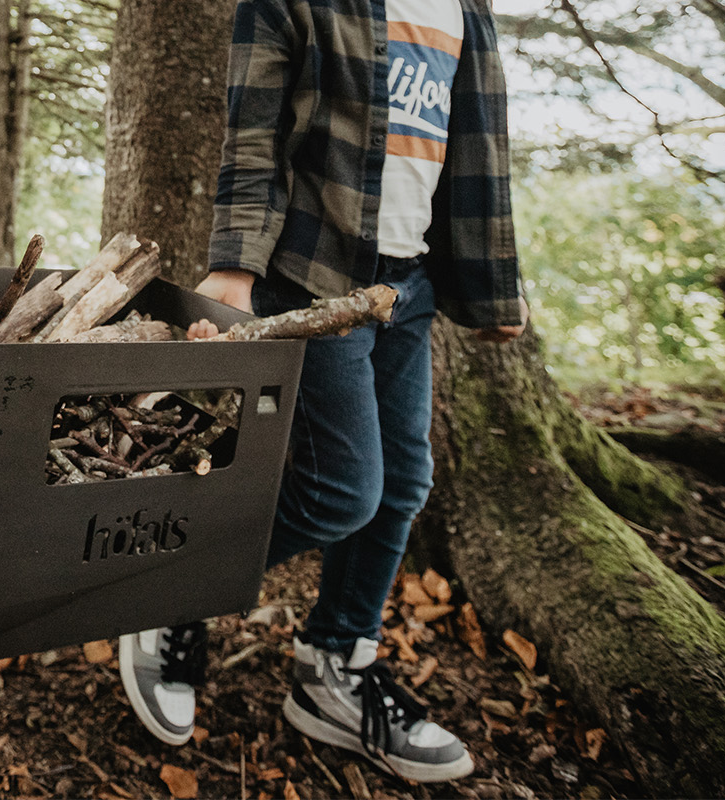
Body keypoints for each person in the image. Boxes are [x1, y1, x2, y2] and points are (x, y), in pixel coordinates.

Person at [115, 0, 527, 783]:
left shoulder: (462, 11)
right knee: (342, 493)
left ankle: (334, 666)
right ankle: (166, 591)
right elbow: (253, 133)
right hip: (310, 280)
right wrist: (233, 264)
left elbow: (480, 151)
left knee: (403, 484)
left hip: (406, 290)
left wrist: (494, 291)